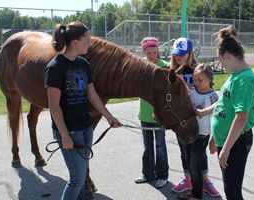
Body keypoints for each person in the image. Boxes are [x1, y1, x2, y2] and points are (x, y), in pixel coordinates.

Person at [44, 21, 121, 200]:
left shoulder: (84, 64)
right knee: (77, 179)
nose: (90, 43)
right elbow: (54, 106)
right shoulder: (55, 68)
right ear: (75, 42)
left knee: (79, 176)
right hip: (69, 131)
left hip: (86, 128)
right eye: (87, 39)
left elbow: (92, 94)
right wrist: (64, 135)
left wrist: (109, 117)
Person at [196, 27, 254, 200]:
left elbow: (241, 118)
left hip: (236, 143)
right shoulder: (235, 76)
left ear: (228, 56)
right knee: (229, 188)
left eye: (221, 61)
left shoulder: (244, 81)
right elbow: (223, 105)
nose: (221, 65)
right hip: (227, 141)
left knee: (232, 192)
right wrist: (214, 135)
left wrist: (226, 149)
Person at [170, 38, 219, 197]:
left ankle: (204, 181)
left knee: (198, 157)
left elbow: (215, 104)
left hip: (200, 127)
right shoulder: (172, 71)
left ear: (190, 54)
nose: (179, 57)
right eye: (177, 54)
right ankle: (189, 180)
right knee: (185, 153)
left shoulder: (197, 70)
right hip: (182, 122)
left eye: (183, 54)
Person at [178, 63, 219, 200]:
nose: (196, 83)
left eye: (200, 80)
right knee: (190, 162)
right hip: (188, 132)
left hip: (202, 135)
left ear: (210, 79)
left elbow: (218, 114)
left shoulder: (213, 96)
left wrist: (214, 138)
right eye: (194, 80)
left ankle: (197, 194)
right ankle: (194, 190)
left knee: (195, 164)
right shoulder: (191, 91)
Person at [134, 37, 169, 188]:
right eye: (149, 53)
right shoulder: (140, 66)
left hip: (159, 115)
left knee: (160, 147)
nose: (152, 56)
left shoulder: (165, 66)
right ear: (144, 52)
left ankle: (162, 175)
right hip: (144, 114)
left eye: (154, 52)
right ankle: (147, 174)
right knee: (147, 146)